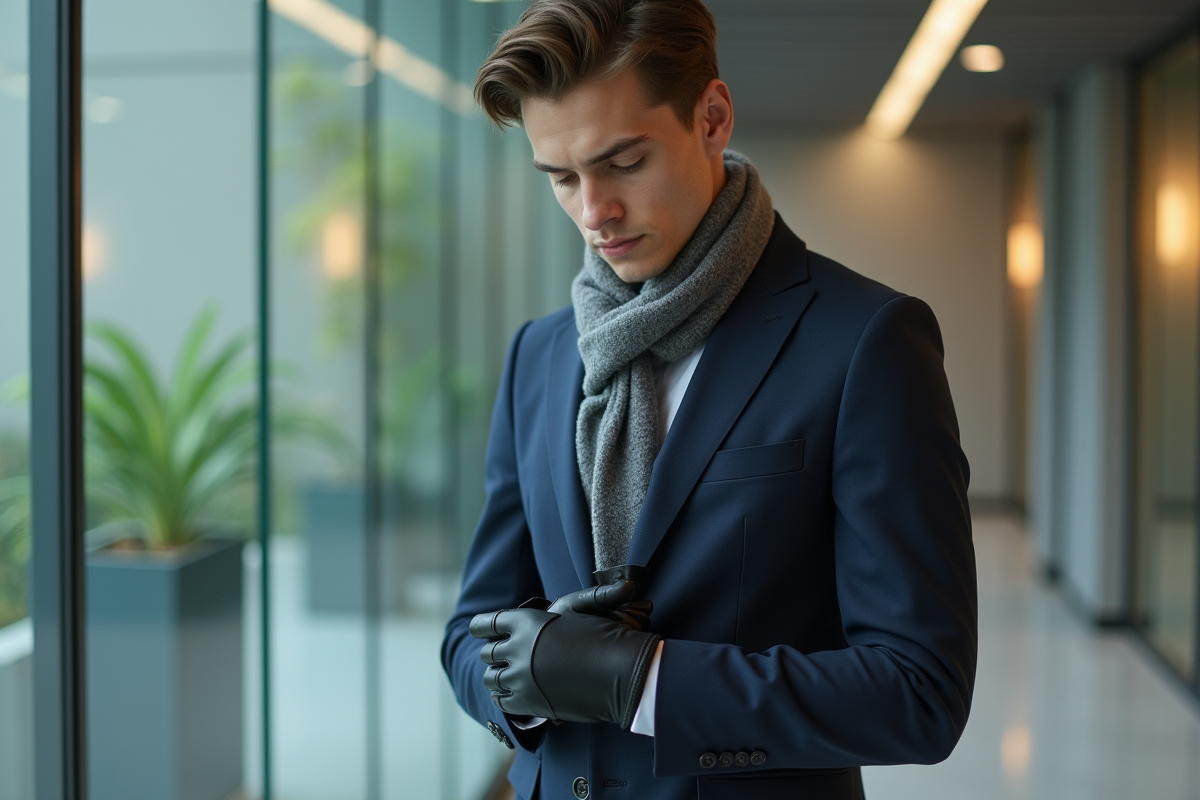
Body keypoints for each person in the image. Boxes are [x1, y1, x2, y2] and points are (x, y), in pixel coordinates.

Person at [440, 1, 978, 798]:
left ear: (713, 119)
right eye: (561, 178)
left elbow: (919, 691)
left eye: (622, 162)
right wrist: (517, 683)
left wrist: (645, 680)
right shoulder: (541, 356)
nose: (594, 213)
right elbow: (469, 632)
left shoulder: (867, 341)